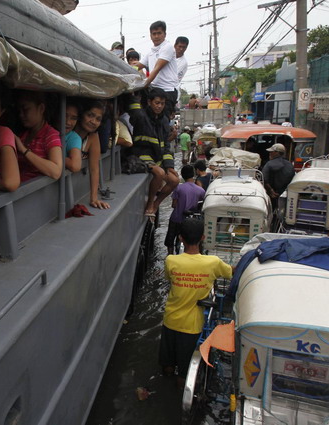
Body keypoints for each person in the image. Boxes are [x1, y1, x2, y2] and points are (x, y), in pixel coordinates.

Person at [160, 218, 233, 383]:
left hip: (170, 320)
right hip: (192, 326)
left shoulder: (171, 260)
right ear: (203, 237)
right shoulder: (213, 262)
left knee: (167, 364)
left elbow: (168, 278)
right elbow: (230, 273)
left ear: (180, 238)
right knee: (184, 373)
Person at [129, 88, 178, 216]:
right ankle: (150, 203)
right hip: (141, 155)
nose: (159, 106)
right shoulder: (141, 116)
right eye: (157, 103)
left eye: (162, 103)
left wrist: (169, 165)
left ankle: (156, 204)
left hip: (157, 158)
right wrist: (133, 96)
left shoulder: (164, 121)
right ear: (149, 102)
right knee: (159, 173)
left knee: (175, 180)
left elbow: (166, 145)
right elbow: (133, 113)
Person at [15, 90, 63, 182]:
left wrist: (24, 151)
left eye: (25, 109)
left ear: (41, 108)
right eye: (19, 111)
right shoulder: (22, 135)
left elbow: (56, 171)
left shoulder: (50, 135)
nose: (21, 115)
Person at [135, 21, 180, 117]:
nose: (156, 36)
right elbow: (137, 65)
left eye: (159, 33)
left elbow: (156, 69)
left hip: (167, 91)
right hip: (155, 91)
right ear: (150, 35)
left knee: (163, 122)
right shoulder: (150, 52)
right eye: (154, 34)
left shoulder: (167, 47)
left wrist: (144, 84)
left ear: (165, 34)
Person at [74, 100, 111, 209]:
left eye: (98, 119)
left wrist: (94, 198)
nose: (93, 121)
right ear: (81, 115)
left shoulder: (93, 137)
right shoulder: (68, 134)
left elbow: (94, 169)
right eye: (90, 115)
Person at [164, 165, 205, 255]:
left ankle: (170, 256)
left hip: (176, 218)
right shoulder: (201, 190)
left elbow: (174, 205)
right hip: (190, 220)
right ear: (193, 175)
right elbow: (202, 204)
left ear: (182, 175)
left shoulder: (178, 188)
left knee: (170, 240)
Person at [261, 143, 294, 210]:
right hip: (285, 194)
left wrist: (271, 191)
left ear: (277, 153)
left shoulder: (269, 164)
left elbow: (264, 179)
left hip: (272, 194)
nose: (269, 154)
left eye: (271, 152)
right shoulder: (290, 165)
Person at [62, 98, 83, 172]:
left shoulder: (73, 138)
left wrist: (52, 155)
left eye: (73, 118)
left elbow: (75, 166)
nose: (68, 122)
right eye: (64, 115)